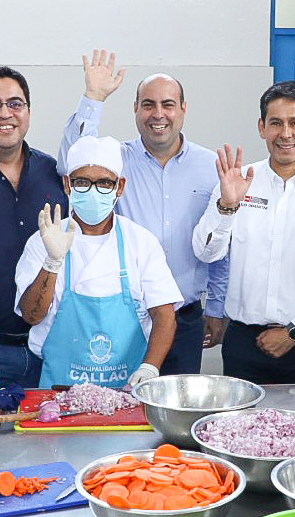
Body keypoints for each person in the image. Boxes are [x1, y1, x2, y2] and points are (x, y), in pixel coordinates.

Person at [58, 50, 229, 372]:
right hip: (124, 319)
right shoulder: (114, 161)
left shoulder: (211, 167)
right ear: (135, 109)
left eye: (168, 104)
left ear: (183, 109)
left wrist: (217, 307)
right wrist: (93, 98)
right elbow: (71, 157)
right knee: (122, 411)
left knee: (175, 411)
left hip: (185, 316)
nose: (158, 114)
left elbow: (222, 246)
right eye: (148, 104)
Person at [192, 81, 295, 385]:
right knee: (240, 431)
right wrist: (227, 207)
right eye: (275, 123)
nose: (285, 134)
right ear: (261, 127)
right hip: (244, 344)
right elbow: (206, 252)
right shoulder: (238, 183)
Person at [17, 136, 180, 388]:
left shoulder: (140, 242)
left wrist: (150, 367)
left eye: (104, 183)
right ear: (67, 185)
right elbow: (31, 315)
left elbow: (164, 314)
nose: (93, 191)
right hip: (59, 389)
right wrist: (52, 260)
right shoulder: (43, 241)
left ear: (120, 186)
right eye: (82, 182)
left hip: (127, 386)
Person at [0, 67, 67, 388]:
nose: (4, 113)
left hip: (51, 345)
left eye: (15, 103)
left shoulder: (54, 172)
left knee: (51, 437)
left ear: (28, 112)